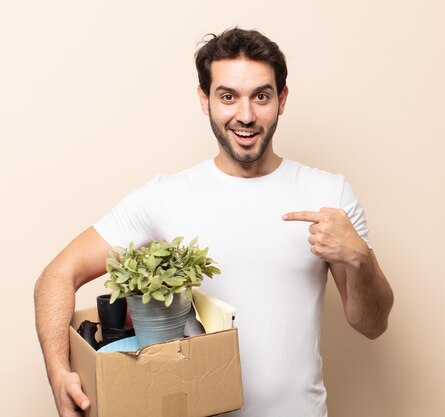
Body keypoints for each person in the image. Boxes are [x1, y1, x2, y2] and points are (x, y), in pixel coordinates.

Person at [34, 27, 394, 417]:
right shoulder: (164, 197)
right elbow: (56, 276)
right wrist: (59, 373)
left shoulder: (329, 194)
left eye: (261, 96)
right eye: (228, 96)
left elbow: (371, 324)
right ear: (204, 100)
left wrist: (360, 258)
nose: (246, 115)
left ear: (282, 99)